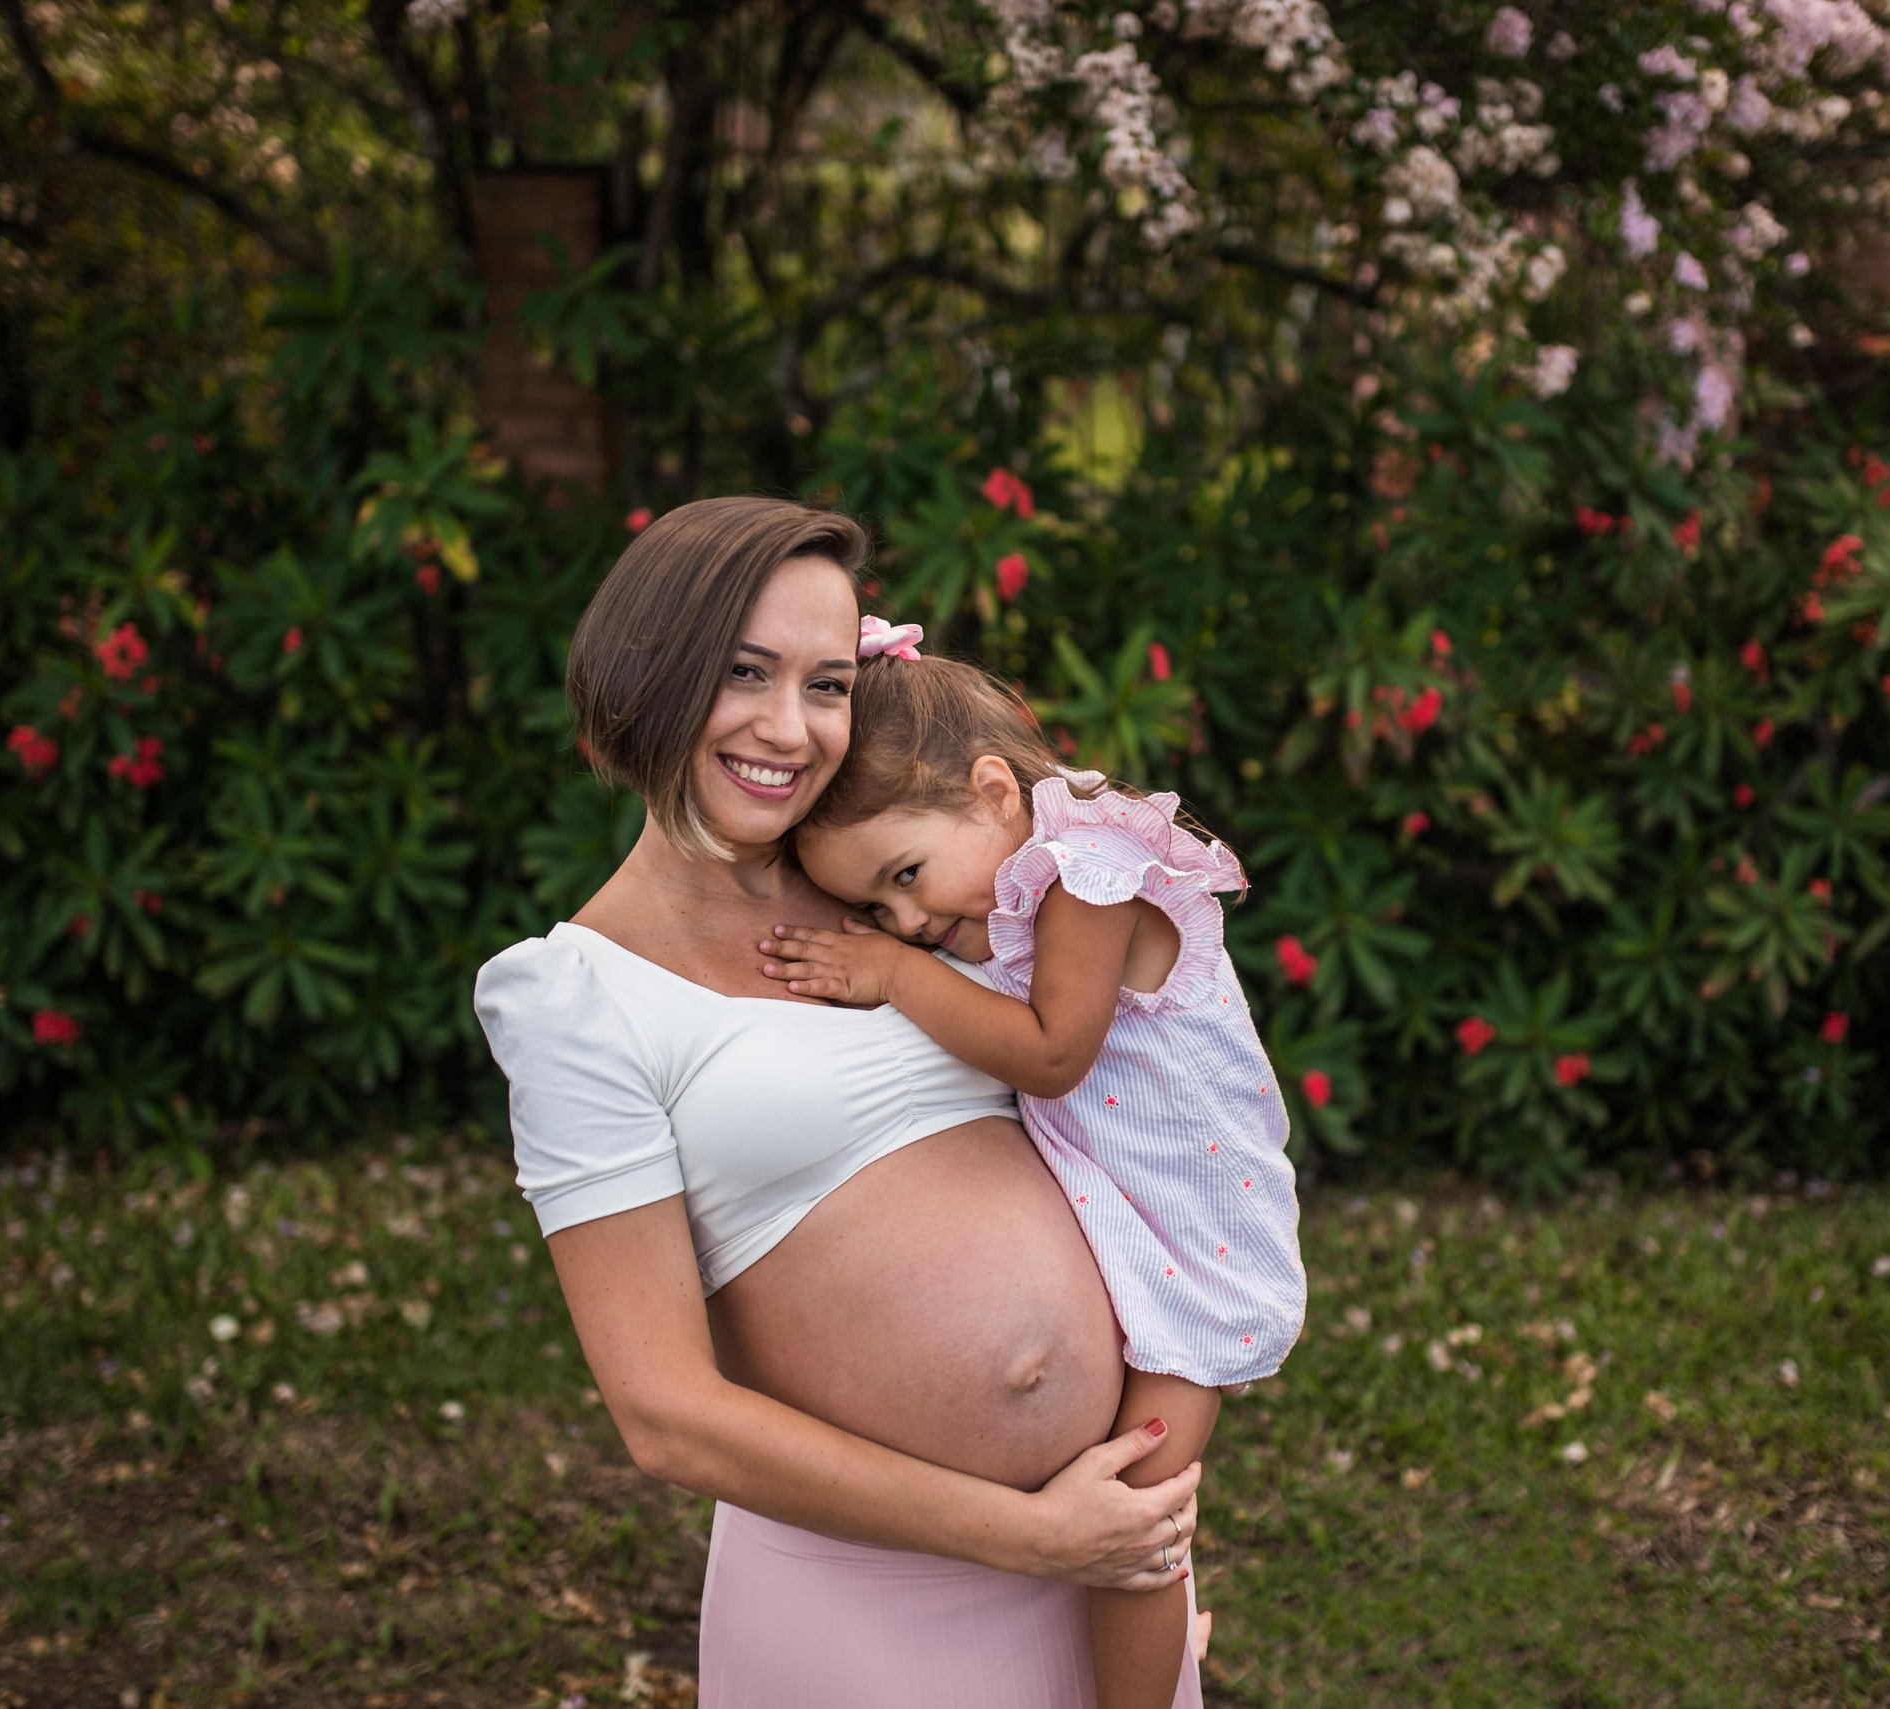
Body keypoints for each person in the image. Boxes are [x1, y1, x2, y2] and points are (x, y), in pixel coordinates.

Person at [472, 496, 1206, 1709]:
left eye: (826, 682)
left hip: (1106, 1556)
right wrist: (1032, 1533)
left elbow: (1125, 1095)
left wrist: (1123, 1547)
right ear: (649, 672)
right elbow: (667, 1415)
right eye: (744, 673)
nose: (789, 726)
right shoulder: (576, 995)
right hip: (874, 1604)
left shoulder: (911, 886)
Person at [758, 637, 1304, 1709]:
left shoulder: (1088, 875)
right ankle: (1148, 1635)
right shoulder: (1000, 886)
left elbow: (1055, 1049)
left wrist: (891, 973)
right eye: (877, 907)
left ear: (993, 787)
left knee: (1138, 1514)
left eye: (905, 876)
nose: (909, 921)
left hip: (1193, 1235)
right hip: (1122, 1208)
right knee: (1125, 1508)